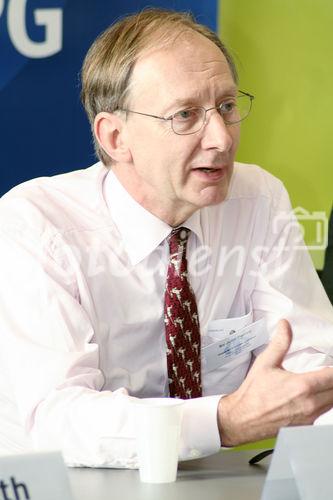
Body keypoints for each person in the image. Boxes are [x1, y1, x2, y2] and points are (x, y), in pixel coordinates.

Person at [1, 8, 333, 467]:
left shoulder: (257, 199)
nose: (220, 138)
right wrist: (223, 421)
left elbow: (307, 364)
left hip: (216, 485)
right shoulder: (36, 223)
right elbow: (61, 419)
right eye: (185, 115)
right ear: (116, 137)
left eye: (227, 106)